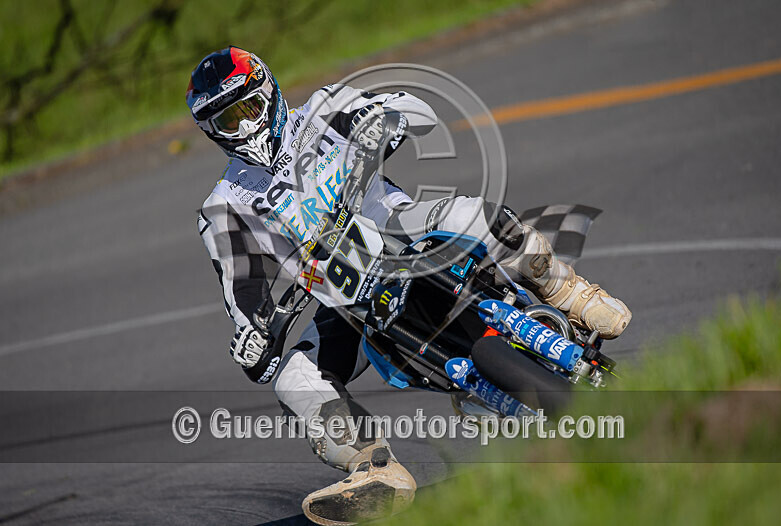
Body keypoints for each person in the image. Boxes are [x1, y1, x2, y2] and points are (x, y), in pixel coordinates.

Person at [188, 46, 631, 525]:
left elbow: (415, 109)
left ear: (269, 93)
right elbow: (243, 292)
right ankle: (373, 468)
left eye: (248, 107)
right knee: (294, 380)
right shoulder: (223, 207)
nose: (243, 125)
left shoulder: (323, 110)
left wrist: (381, 124)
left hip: (404, 232)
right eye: (226, 121)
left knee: (473, 215)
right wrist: (254, 337)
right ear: (212, 132)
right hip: (345, 302)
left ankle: (568, 292)